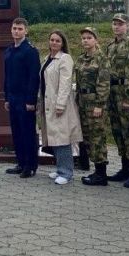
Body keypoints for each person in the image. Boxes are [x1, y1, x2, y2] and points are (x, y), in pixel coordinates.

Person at [39, 30, 81, 186]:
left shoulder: (65, 59)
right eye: (52, 40)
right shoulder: (47, 59)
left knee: (63, 138)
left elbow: (65, 84)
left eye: (57, 40)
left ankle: (66, 172)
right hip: (47, 104)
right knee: (54, 137)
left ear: (63, 43)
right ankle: (59, 168)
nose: (54, 43)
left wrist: (61, 104)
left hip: (59, 105)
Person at [104, 14, 129, 183]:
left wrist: (128, 98)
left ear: (127, 26)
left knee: (128, 132)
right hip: (112, 92)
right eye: (114, 24)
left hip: (124, 92)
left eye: (120, 24)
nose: (117, 27)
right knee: (117, 131)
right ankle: (125, 168)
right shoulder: (110, 46)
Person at [3, 17, 41, 179]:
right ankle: (20, 162)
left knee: (27, 133)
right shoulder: (9, 50)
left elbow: (34, 78)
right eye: (14, 28)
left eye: (20, 29)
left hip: (25, 99)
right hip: (12, 98)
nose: (16, 31)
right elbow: (7, 77)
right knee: (17, 132)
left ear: (26, 31)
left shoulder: (30, 51)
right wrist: (6, 97)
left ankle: (30, 165)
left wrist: (31, 101)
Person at [77, 27, 111, 186]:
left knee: (98, 137)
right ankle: (96, 170)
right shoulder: (81, 58)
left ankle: (101, 174)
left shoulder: (101, 58)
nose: (85, 40)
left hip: (95, 103)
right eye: (83, 38)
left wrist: (99, 105)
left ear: (96, 40)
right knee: (88, 137)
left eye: (89, 37)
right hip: (83, 102)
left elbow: (104, 83)